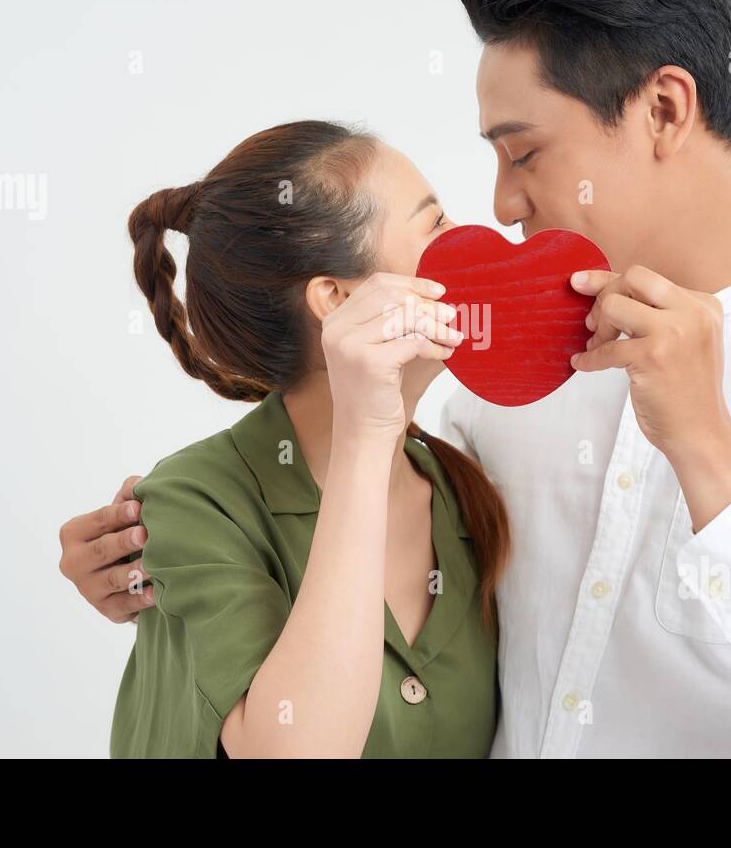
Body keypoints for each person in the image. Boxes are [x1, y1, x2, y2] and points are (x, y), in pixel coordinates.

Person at [62, 0, 731, 758]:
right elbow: (342, 494)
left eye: (524, 153)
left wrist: (714, 457)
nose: (503, 203)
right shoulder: (499, 376)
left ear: (665, 110)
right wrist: (151, 566)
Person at [102, 119, 507, 757]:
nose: (478, 242)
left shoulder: (464, 491)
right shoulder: (190, 501)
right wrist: (367, 434)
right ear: (335, 298)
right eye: (436, 225)